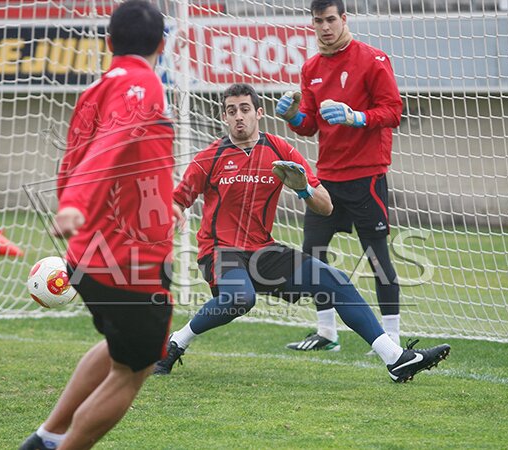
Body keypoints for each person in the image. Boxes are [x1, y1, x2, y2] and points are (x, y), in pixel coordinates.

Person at [154, 83, 449, 383]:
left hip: (262, 251)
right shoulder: (210, 157)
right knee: (241, 297)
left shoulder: (280, 151)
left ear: (259, 113)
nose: (238, 117)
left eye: (244, 109)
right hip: (220, 251)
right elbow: (178, 200)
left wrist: (304, 189)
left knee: (336, 281)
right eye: (231, 111)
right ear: (224, 118)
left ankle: (395, 359)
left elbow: (326, 206)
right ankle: (176, 343)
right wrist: (173, 214)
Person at [19, 2, 175, 449]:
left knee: (118, 348)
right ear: (162, 45)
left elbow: (75, 161)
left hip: (88, 256)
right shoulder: (143, 84)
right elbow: (109, 146)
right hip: (129, 260)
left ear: (108, 43)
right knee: (136, 368)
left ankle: (46, 436)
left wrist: (162, 202)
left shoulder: (97, 88)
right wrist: (72, 204)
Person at [276, 0, 404, 353]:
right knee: (312, 254)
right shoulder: (311, 68)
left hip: (366, 176)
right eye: (318, 21)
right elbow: (309, 125)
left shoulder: (373, 60)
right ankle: (326, 332)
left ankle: (391, 336)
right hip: (327, 178)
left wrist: (356, 117)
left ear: (344, 19)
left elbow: (393, 111)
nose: (325, 27)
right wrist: (291, 116)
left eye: (331, 20)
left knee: (378, 257)